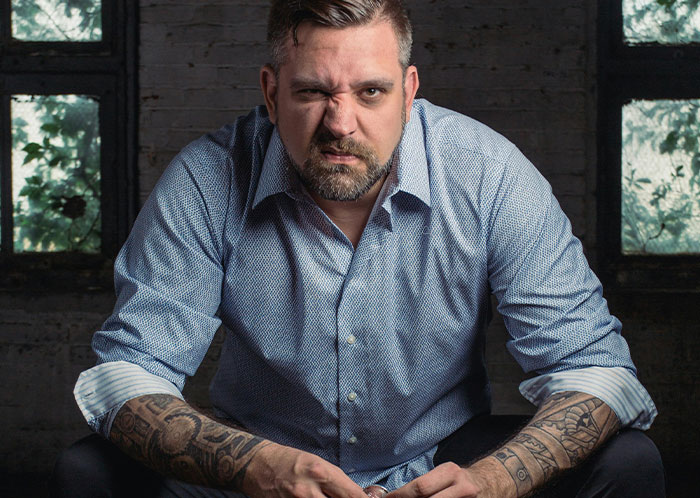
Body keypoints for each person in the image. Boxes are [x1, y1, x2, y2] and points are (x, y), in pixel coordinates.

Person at [51, 1, 664, 497]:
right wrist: (254, 466)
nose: (340, 123)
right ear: (271, 92)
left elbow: (595, 370)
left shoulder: (490, 174)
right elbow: (127, 376)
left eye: (370, 92)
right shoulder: (207, 178)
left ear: (408, 90)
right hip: (260, 466)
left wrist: (495, 480)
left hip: (440, 459)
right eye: (312, 92)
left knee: (629, 461)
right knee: (90, 472)